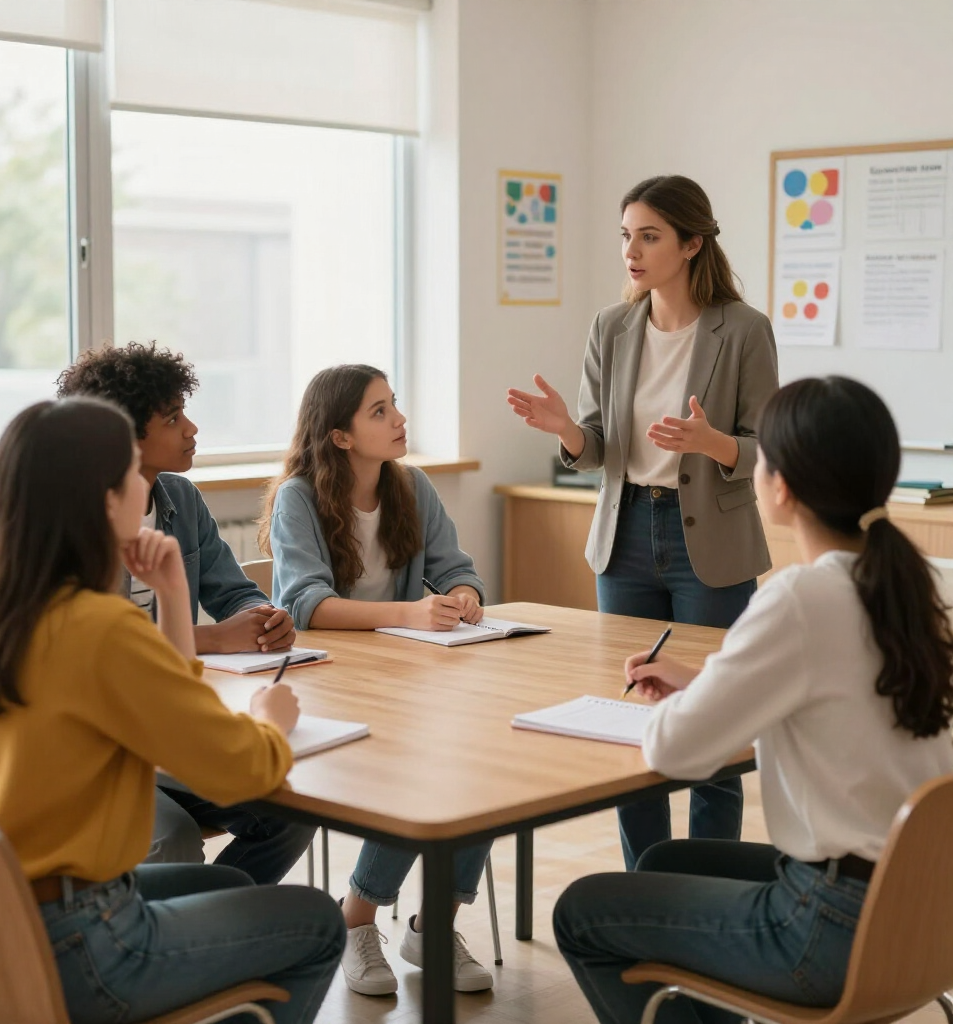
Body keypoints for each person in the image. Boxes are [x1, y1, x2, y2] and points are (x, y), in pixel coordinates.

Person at [0, 397, 345, 1024]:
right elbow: (241, 773)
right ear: (102, 501)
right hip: (82, 944)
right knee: (316, 920)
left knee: (229, 888)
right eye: (130, 469)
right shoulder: (99, 628)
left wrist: (175, 596)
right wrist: (269, 720)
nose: (143, 485)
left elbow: (166, 708)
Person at [553, 376, 953, 1024]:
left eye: (760, 458)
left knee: (582, 912)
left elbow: (674, 750)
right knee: (666, 862)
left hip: (830, 926)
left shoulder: (799, 597)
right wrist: (710, 677)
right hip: (925, 909)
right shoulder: (916, 590)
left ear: (782, 487)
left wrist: (704, 695)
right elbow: (836, 689)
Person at [508, 174, 779, 869]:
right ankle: (646, 886)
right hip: (625, 533)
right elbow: (596, 450)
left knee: (712, 722)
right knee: (633, 720)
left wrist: (710, 442)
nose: (632, 250)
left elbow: (766, 447)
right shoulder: (612, 325)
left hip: (710, 547)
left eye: (649, 236)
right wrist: (568, 431)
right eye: (627, 235)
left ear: (691, 243)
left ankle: (707, 883)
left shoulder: (744, 330)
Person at [257, 363, 494, 997]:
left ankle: (431, 925)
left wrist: (465, 598)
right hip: (329, 680)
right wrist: (412, 613)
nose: (400, 420)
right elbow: (305, 603)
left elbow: (459, 569)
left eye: (396, 405)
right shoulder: (299, 497)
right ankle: (357, 920)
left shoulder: (412, 486)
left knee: (484, 762)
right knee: (420, 768)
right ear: (339, 435)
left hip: (409, 674)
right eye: (380, 411)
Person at [56, 342, 316, 883]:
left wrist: (264, 617)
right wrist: (216, 639)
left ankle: (221, 924)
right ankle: (204, 932)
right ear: (123, 440)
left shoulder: (180, 497)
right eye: (173, 418)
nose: (192, 429)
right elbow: (107, 654)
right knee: (171, 836)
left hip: (165, 736)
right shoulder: (76, 524)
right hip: (106, 750)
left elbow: (233, 591)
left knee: (289, 809)